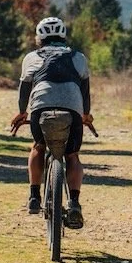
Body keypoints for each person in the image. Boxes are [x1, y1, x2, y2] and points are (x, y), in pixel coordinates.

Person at [9, 16, 93, 229]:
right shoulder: (78, 57)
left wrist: (22, 112)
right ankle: (74, 203)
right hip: (72, 110)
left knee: (38, 146)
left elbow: (24, 90)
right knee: (72, 155)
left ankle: (34, 197)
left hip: (41, 108)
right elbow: (85, 91)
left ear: (39, 37)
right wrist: (85, 114)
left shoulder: (31, 57)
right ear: (63, 36)